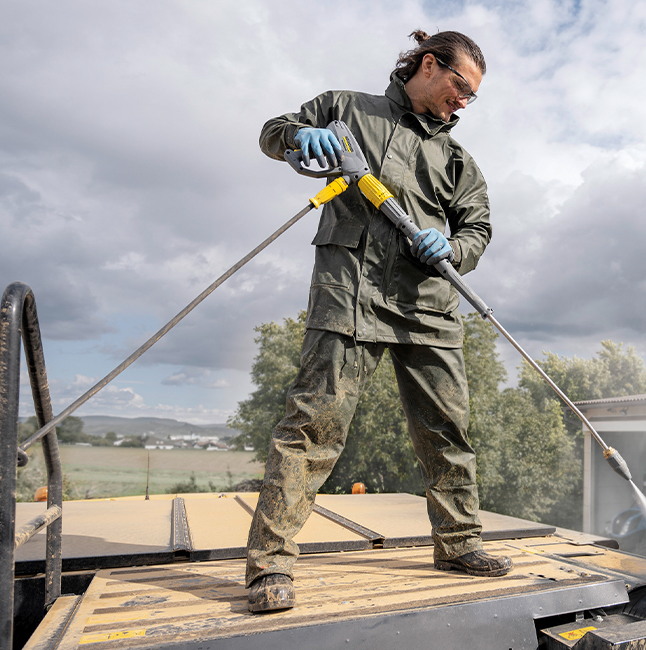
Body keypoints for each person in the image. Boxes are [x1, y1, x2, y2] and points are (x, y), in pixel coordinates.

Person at [245, 29, 508, 613]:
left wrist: (455, 248)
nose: (463, 102)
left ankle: (459, 544)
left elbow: (478, 229)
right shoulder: (345, 109)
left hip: (430, 307)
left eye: (472, 97)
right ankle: (270, 568)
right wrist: (296, 136)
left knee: (448, 434)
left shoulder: (459, 161)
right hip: (351, 293)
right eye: (460, 86)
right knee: (312, 429)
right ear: (430, 65)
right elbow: (272, 133)